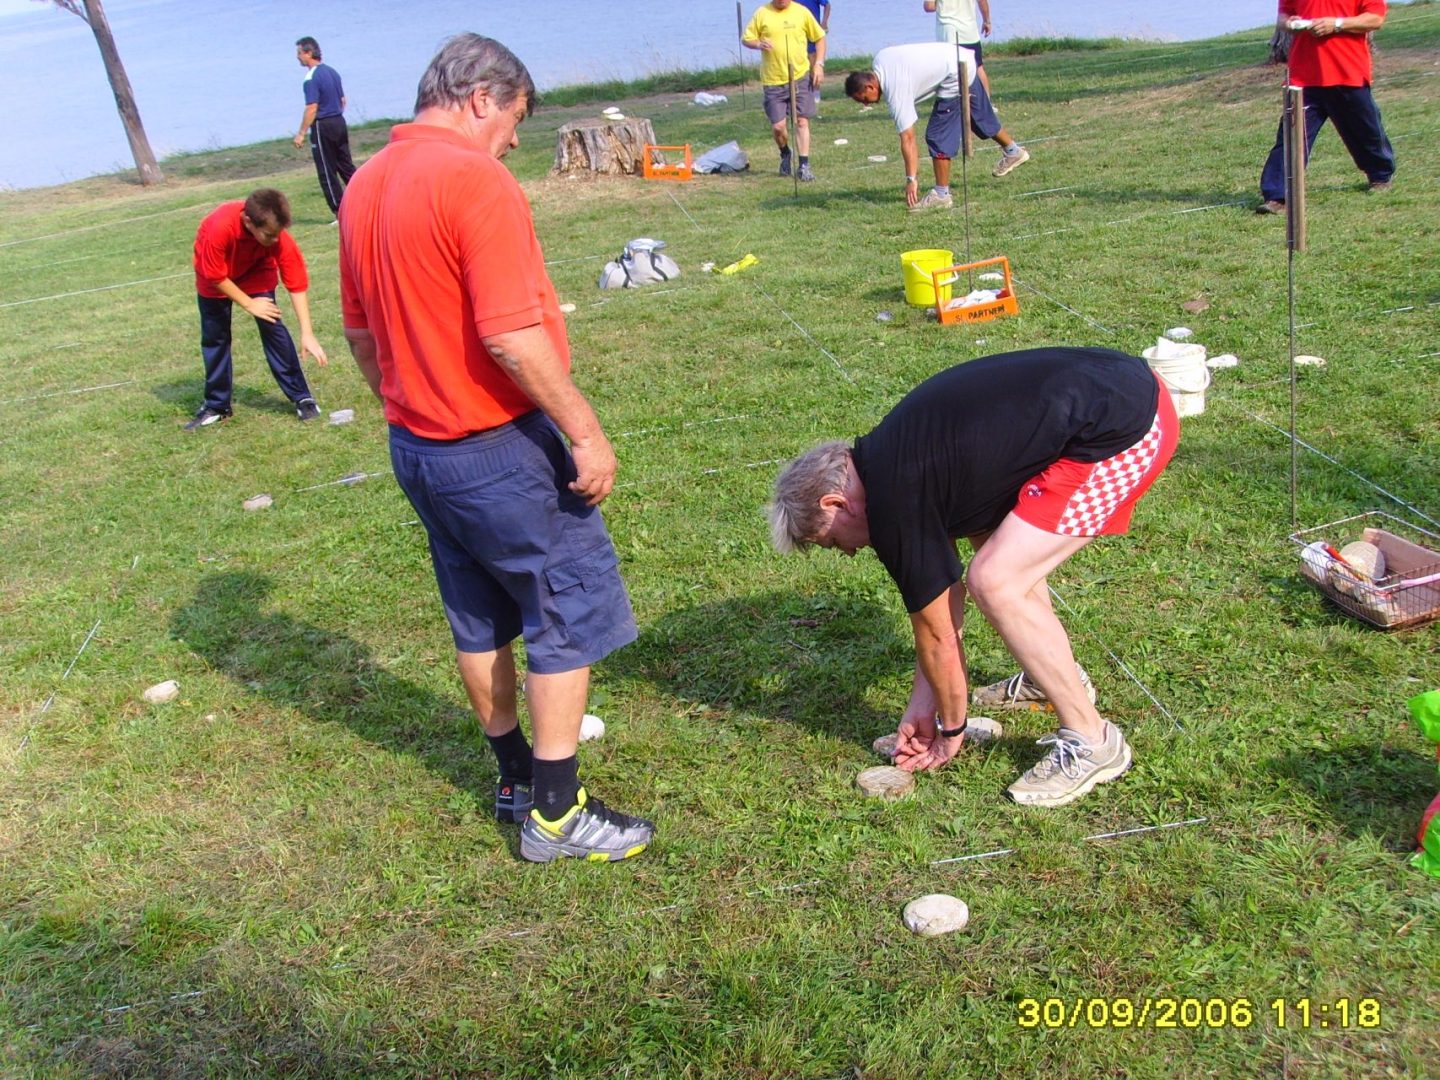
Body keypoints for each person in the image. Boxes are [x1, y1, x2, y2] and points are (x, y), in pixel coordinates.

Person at [337, 34, 653, 863]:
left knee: (478, 615)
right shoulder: (474, 178)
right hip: (496, 447)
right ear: (481, 98)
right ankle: (556, 811)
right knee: (562, 609)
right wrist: (584, 429)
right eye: (514, 118)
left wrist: (409, 403)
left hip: (419, 449)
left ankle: (513, 777)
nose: (515, 139)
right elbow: (511, 335)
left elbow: (361, 334)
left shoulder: (365, 183)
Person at [768, 348, 1179, 807]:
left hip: (1128, 427)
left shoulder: (895, 503)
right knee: (997, 549)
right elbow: (938, 614)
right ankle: (1046, 677)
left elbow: (940, 637)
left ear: (835, 505)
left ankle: (1093, 741)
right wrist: (925, 707)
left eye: (831, 541)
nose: (848, 551)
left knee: (997, 580)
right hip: (1122, 389)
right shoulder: (892, 460)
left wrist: (951, 726)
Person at [185, 188, 326, 430]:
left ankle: (302, 397)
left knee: (272, 326)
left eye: (278, 234)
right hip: (215, 280)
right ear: (248, 222)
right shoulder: (219, 227)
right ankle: (217, 405)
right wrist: (249, 304)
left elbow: (296, 282)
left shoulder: (277, 237)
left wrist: (307, 332)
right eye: (269, 235)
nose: (275, 240)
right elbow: (215, 275)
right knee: (215, 337)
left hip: (256, 270)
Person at [844, 42, 1029, 213]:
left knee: (937, 135)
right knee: (977, 117)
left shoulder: (895, 89)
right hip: (962, 57)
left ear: (869, 86)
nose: (866, 104)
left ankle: (942, 195)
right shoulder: (881, 58)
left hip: (954, 74)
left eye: (864, 99)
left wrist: (911, 180)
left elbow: (908, 138)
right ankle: (1013, 151)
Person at [1257, 0, 1394, 214]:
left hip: (1347, 72)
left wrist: (1337, 24)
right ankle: (1277, 196)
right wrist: (1290, 23)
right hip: (1303, 76)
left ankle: (1380, 176)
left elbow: (1375, 18)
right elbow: (1283, 17)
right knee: (1291, 136)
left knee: (1365, 130)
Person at [742, 0, 827, 181]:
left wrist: (818, 64)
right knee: (778, 127)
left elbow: (819, 38)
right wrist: (758, 44)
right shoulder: (762, 13)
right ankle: (785, 153)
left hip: (800, 76)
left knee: (802, 122)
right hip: (773, 80)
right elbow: (746, 38)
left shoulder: (801, 12)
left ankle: (804, 165)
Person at [293, 36, 357, 218]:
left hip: (323, 125)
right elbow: (343, 100)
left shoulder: (311, 78)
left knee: (326, 171)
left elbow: (312, 107)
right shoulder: (332, 72)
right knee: (345, 165)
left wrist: (301, 133)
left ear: (309, 53)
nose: (297, 57)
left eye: (299, 53)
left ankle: (340, 212)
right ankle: (366, 197)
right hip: (339, 121)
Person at [926, 0, 993, 95]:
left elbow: (929, 7)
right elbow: (982, 1)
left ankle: (954, 101)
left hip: (948, 33)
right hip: (969, 31)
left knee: (950, 70)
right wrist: (987, 21)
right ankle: (987, 104)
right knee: (978, 67)